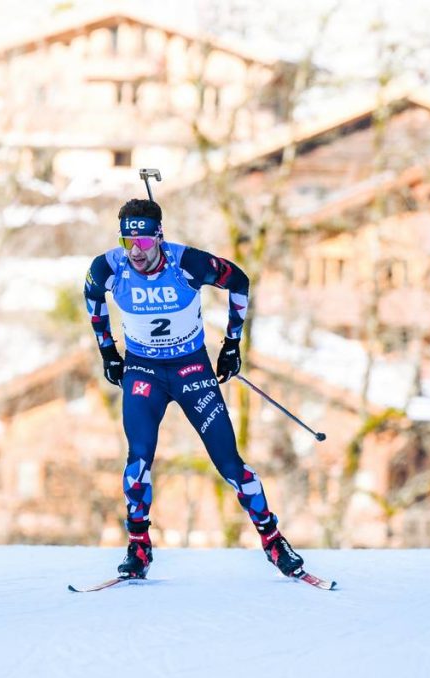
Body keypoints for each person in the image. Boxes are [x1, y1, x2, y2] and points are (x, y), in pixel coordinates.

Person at [83, 198, 304, 579]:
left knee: (229, 463)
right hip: (143, 370)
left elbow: (239, 281)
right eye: (127, 242)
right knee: (138, 461)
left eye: (144, 242)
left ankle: (273, 541)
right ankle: (139, 547)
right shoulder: (108, 267)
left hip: (191, 369)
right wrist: (108, 351)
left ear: (159, 237)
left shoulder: (187, 263)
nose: (136, 252)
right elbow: (92, 297)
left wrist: (232, 343)